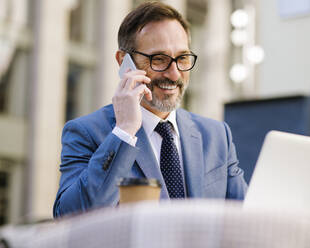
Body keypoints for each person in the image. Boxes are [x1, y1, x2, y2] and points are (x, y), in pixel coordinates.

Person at [53, 1, 247, 217]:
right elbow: (69, 216)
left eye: (182, 58)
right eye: (159, 59)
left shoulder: (217, 136)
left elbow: (246, 218)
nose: (174, 74)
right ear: (124, 62)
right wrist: (124, 132)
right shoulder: (86, 132)